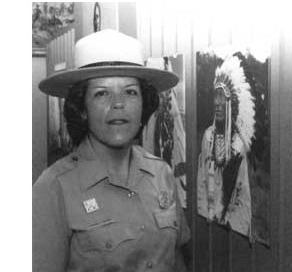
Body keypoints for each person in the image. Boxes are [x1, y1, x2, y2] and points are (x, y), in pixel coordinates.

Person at [33, 29, 189, 272]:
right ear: (82, 108)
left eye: (130, 92)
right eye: (102, 93)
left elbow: (176, 258)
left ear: (144, 104)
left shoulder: (162, 174)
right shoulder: (54, 188)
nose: (118, 103)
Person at [196, 53, 256, 238]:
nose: (217, 104)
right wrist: (205, 213)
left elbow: (242, 195)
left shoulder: (238, 146)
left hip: (231, 229)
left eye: (223, 99)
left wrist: (231, 225)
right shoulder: (208, 137)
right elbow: (201, 181)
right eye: (215, 97)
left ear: (232, 104)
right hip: (207, 222)